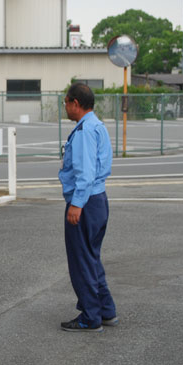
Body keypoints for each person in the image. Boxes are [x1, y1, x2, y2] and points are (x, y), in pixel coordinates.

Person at [58, 83, 117, 333]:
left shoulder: (83, 131)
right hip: (98, 200)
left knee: (81, 260)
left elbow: (85, 173)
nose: (65, 106)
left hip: (85, 203)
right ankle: (106, 310)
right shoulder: (97, 126)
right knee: (92, 259)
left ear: (75, 103)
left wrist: (76, 204)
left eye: (66, 102)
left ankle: (90, 317)